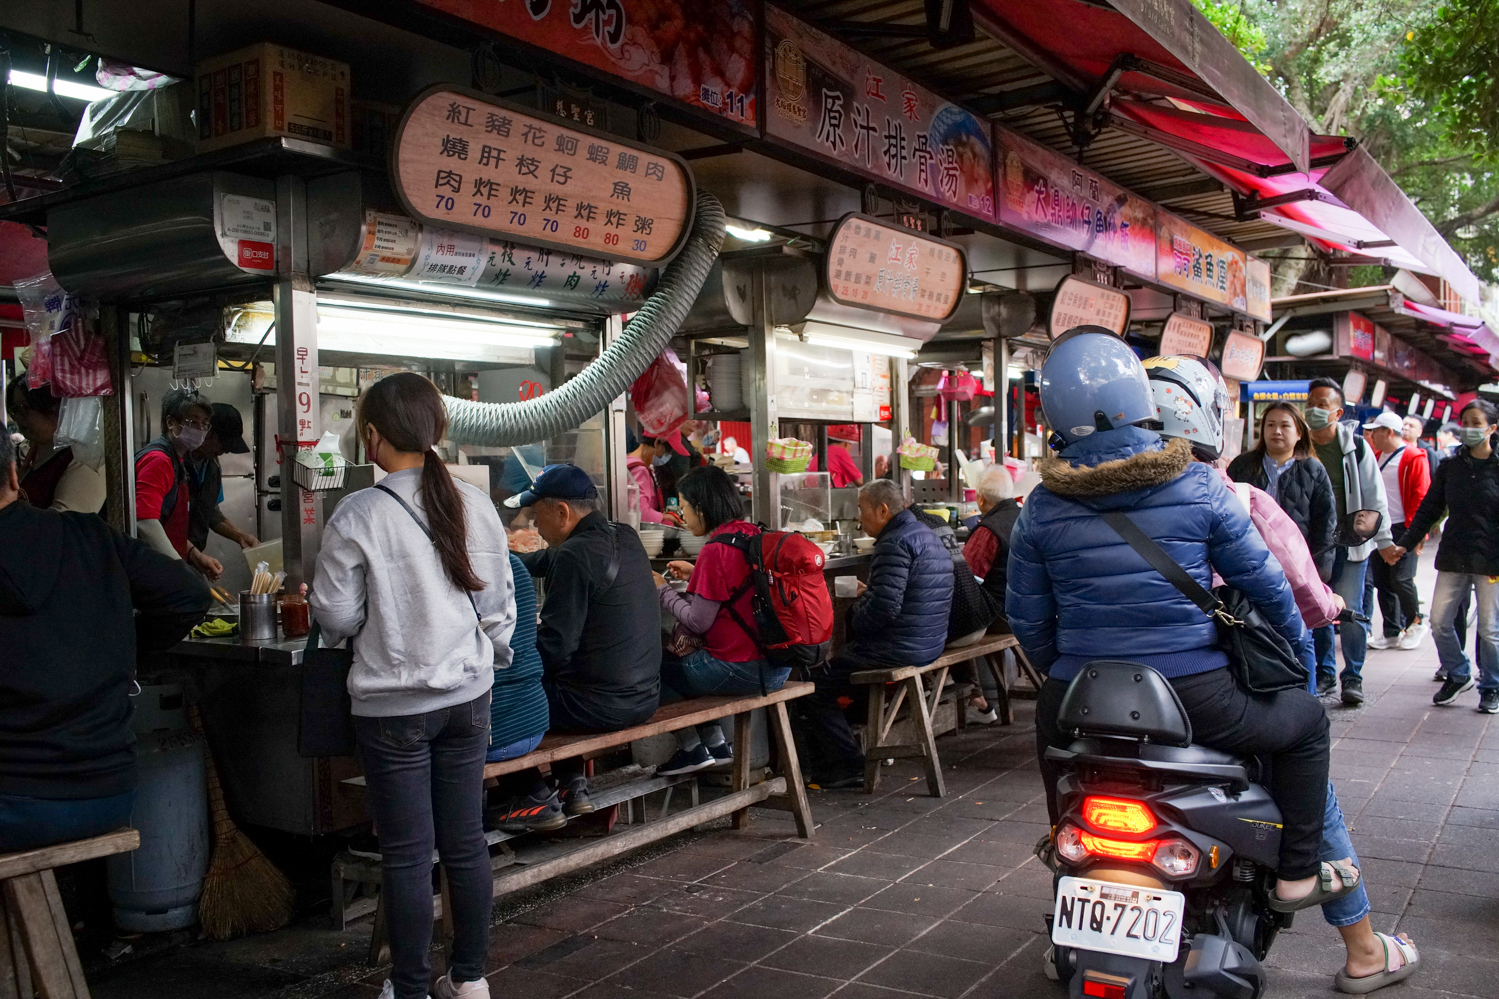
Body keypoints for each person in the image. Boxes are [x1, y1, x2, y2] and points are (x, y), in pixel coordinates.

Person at [1008, 330, 1348, 915]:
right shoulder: (1198, 485)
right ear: (1142, 402)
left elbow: (1027, 619)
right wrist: (1302, 663)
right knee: (1308, 723)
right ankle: (1296, 875)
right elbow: (1270, 588)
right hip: (1195, 691)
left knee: (1059, 765)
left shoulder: (1041, 504)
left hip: (1076, 693)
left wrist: (1067, 676)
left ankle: (1068, 870)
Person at [1145, 354, 1416, 993]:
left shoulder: (1078, 501)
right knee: (1308, 771)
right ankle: (1360, 947)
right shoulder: (1234, 495)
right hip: (1215, 687)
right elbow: (1295, 589)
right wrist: (1322, 621)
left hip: (1104, 692)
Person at [308, 373, 516, 999]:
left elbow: (337, 619)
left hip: (392, 707)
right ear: (437, 431)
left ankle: (410, 987)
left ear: (371, 436)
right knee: (464, 843)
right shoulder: (474, 502)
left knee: (406, 853)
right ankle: (472, 979)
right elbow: (500, 608)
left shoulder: (359, 513)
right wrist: (484, 661)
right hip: (468, 700)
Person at [0, 428, 209, 851]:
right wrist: (121, 645)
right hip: (109, 793)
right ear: (13, 472)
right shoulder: (89, 535)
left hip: (12, 800)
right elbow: (189, 595)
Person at [505, 463, 661, 815]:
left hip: (598, 707)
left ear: (561, 512)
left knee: (505, 702)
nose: (534, 524)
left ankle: (530, 794)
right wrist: (504, 559)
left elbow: (555, 648)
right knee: (558, 681)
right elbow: (551, 558)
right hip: (645, 697)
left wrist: (509, 664)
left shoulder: (575, 554)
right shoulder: (624, 535)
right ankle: (572, 784)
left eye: (535, 514)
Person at [794, 478, 952, 789]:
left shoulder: (894, 542)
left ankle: (845, 767)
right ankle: (851, 751)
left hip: (901, 645)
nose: (858, 517)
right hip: (929, 641)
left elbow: (883, 612)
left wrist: (859, 608)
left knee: (814, 687)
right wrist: (873, 595)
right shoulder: (922, 532)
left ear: (882, 510)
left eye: (861, 509)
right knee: (838, 679)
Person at [653, 465, 782, 775]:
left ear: (701, 506)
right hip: (777, 664)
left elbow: (698, 623)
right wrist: (695, 570)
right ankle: (716, 744)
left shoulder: (715, 550)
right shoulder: (751, 533)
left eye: (684, 507)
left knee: (650, 668)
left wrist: (662, 590)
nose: (683, 516)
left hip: (743, 669)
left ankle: (692, 748)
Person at [1389, 399, 1499, 714]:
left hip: (1492, 560)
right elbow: (1431, 507)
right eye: (1465, 421)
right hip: (1454, 556)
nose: (1468, 428)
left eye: (1476, 422)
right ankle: (1458, 672)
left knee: (1491, 629)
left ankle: (1491, 686)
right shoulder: (1451, 465)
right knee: (1439, 621)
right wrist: (1407, 542)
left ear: (1492, 428)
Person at [1303, 376, 1396, 706]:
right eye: (1310, 403)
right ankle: (1325, 672)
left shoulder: (1355, 448)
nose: (1313, 410)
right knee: (1317, 609)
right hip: (1312, 545)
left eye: (1321, 405)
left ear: (1337, 412)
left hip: (1351, 544)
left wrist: (1382, 541)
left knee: (1351, 612)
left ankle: (1352, 677)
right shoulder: (1300, 446)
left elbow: (1375, 498)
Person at [1227, 402, 1336, 583]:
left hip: (1296, 566)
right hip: (1247, 561)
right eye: (1270, 425)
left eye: (1285, 426)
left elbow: (1325, 524)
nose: (1276, 431)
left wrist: (1319, 573)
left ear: (1299, 433)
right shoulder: (1242, 465)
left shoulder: (1313, 470)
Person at [135, 389, 224, 580]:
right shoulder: (158, 460)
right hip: (144, 567)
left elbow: (168, 526)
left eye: (204, 424)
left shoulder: (177, 460)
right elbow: (145, 521)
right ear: (170, 423)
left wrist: (194, 554)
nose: (199, 430)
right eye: (193, 422)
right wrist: (179, 570)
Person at [1362, 412, 1431, 651]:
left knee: (1401, 578)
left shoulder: (1413, 456)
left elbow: (1421, 496)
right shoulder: (1378, 456)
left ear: (1389, 432)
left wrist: (1418, 533)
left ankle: (1416, 622)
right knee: (1383, 580)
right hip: (1382, 528)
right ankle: (1392, 630)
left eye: (1376, 431)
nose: (1371, 436)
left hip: (1406, 527)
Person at [960, 465, 1023, 724]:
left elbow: (964, 581)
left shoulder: (988, 531)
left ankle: (978, 700)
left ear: (981, 499)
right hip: (1026, 610)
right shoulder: (1026, 518)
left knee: (949, 623)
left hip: (1000, 615)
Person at [5, 374, 105, 513]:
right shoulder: (24, 453)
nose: (18, 417)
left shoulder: (82, 460)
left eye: (25, 408)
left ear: (54, 407)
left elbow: (65, 526)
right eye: (14, 410)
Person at [185, 400, 260, 554]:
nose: (225, 451)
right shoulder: (173, 462)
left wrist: (240, 536)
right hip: (162, 556)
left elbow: (210, 512)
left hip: (191, 556)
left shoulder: (212, 467)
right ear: (207, 432)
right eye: (223, 444)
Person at [625, 426, 672, 525]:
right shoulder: (639, 470)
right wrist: (666, 517)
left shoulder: (626, 460)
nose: (667, 456)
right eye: (667, 451)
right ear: (657, 443)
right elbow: (640, 512)